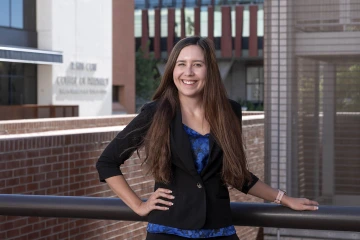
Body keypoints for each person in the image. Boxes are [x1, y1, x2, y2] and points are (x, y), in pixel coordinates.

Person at [96, 36, 319, 240]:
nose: (188, 72)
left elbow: (235, 174)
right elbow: (107, 163)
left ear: (209, 70)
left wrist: (284, 198)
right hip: (168, 232)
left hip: (220, 231)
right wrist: (138, 205)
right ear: (172, 69)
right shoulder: (155, 113)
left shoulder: (229, 112)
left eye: (197, 65)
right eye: (181, 64)